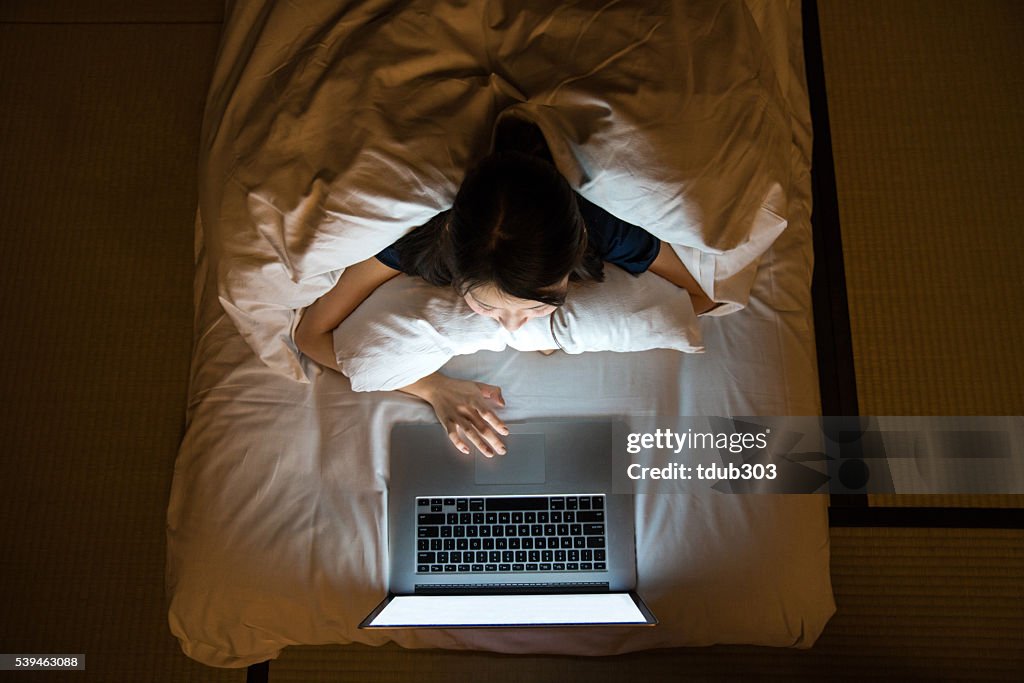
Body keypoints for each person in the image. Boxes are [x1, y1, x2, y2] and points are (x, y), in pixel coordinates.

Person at [294, 118, 714, 458]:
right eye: (488, 310)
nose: (512, 330)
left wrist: (552, 330)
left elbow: (703, 295)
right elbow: (310, 336)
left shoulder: (604, 230)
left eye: (539, 306)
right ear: (455, 276)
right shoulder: (419, 244)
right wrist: (432, 387)